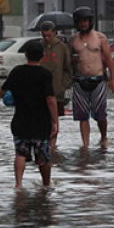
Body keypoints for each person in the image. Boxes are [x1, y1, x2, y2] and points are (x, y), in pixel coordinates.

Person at [0, 40, 59, 188]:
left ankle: (18, 185)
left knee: (20, 154)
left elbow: (2, 93)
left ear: (25, 54)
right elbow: (50, 99)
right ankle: (46, 185)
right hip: (41, 123)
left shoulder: (17, 71)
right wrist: (55, 121)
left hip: (20, 121)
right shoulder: (45, 75)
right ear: (43, 56)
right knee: (43, 157)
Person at [67, 6, 114, 148]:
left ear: (90, 21)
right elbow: (67, 61)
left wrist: (112, 79)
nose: (83, 24)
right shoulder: (72, 40)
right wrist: (72, 62)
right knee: (82, 115)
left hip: (98, 79)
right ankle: (85, 144)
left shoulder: (100, 38)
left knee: (101, 114)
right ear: (76, 23)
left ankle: (104, 137)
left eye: (86, 21)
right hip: (80, 80)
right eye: (80, 21)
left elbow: (109, 59)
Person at [38, 21, 74, 150]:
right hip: (39, 92)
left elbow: (68, 70)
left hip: (57, 91)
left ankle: (52, 147)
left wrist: (62, 85)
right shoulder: (38, 46)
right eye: (44, 35)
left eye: (49, 35)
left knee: (54, 120)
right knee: (41, 121)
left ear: (54, 33)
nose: (46, 38)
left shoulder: (62, 48)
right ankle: (44, 144)